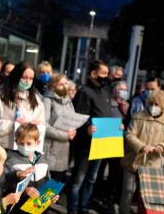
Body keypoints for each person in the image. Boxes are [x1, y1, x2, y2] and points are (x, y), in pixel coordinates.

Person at [120, 90, 164, 214]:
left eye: (156, 104)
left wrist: (161, 147)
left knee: (146, 195)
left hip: (153, 164)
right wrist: (141, 146)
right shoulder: (138, 116)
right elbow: (129, 135)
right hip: (132, 160)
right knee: (128, 191)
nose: (153, 107)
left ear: (163, 105)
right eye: (151, 103)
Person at [68, 60, 112, 214]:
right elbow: (77, 116)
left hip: (101, 142)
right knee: (78, 181)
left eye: (107, 73)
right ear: (94, 73)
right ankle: (73, 210)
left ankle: (84, 209)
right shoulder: (84, 91)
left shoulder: (106, 92)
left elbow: (107, 114)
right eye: (103, 73)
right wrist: (86, 128)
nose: (106, 76)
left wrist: (116, 126)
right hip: (85, 144)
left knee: (91, 180)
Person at [0, 61, 45, 149]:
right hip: (3, 149)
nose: (28, 82)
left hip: (26, 151)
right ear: (16, 76)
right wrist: (11, 124)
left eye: (31, 78)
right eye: (24, 77)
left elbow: (42, 124)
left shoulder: (36, 100)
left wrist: (35, 126)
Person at [0, 123, 57, 214]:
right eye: (21, 143)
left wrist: (52, 194)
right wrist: (24, 190)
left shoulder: (43, 159)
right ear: (16, 142)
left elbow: (48, 181)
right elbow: (5, 184)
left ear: (37, 142)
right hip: (19, 209)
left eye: (29, 143)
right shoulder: (10, 160)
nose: (25, 146)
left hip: (39, 208)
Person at [94, 80, 129, 210]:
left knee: (114, 173)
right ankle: (96, 195)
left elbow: (129, 125)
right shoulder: (107, 103)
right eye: (121, 89)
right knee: (100, 170)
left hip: (118, 143)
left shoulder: (125, 106)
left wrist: (124, 120)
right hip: (105, 141)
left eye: (125, 89)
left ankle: (107, 197)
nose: (124, 92)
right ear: (114, 90)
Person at [43, 73, 76, 183]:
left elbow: (73, 120)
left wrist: (73, 131)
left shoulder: (68, 101)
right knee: (46, 189)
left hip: (64, 151)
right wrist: (65, 135)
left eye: (66, 83)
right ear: (53, 86)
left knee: (56, 189)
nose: (65, 86)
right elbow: (44, 126)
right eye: (61, 84)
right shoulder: (48, 100)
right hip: (50, 149)